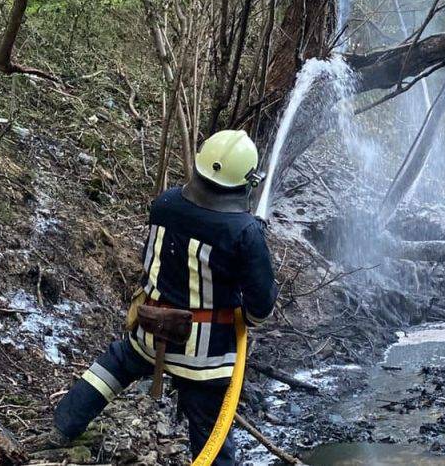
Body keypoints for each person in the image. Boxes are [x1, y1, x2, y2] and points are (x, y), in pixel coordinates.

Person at [37, 130, 277, 466]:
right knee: (211, 433)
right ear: (245, 181)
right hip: (204, 359)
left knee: (114, 365)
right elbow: (261, 306)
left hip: (150, 332)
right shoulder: (244, 232)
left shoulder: (165, 204)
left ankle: (62, 428)